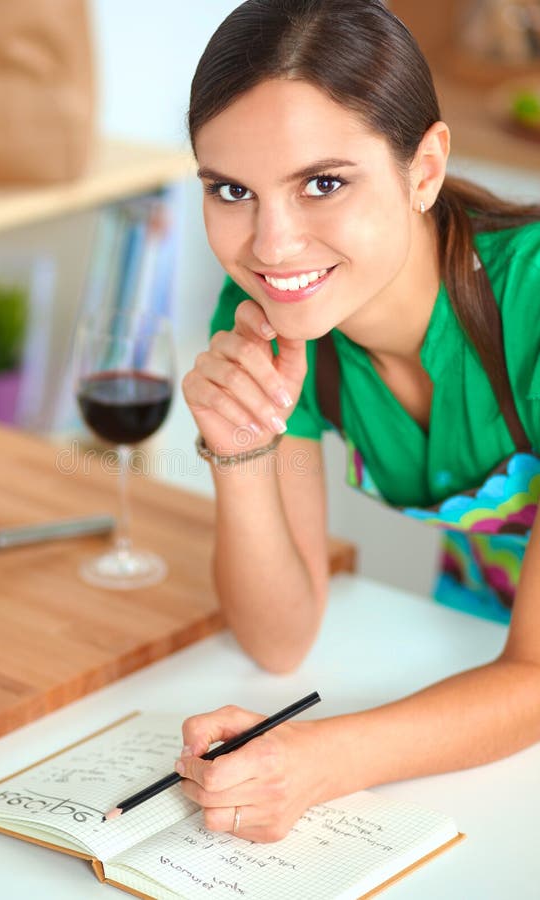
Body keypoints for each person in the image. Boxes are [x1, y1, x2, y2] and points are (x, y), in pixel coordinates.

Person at [179, 0, 540, 843]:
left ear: (424, 170)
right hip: (479, 638)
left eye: (322, 182)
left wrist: (313, 764)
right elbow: (279, 636)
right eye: (232, 190)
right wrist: (238, 454)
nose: (270, 245)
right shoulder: (269, 319)